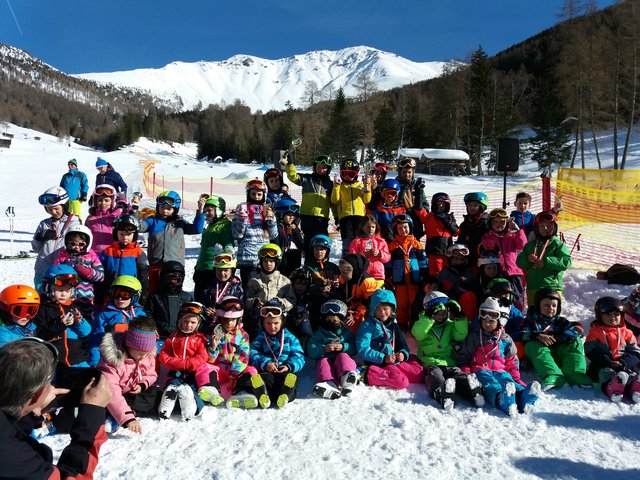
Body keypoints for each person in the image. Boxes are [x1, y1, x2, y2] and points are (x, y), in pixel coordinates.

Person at [0, 337, 111, 479]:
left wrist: (30, 410)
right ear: (38, 393)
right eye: (50, 382)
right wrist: (92, 415)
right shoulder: (18, 460)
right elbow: (70, 476)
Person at [458, 297, 541, 416]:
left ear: (500, 321)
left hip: (500, 370)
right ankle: (502, 400)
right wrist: (466, 373)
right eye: (484, 320)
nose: (487, 323)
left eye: (491, 321)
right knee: (491, 384)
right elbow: (464, 355)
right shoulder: (475, 336)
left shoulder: (505, 339)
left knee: (508, 382)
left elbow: (511, 360)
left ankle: (525, 398)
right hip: (481, 370)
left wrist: (516, 378)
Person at [411, 291, 484, 410]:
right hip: (430, 362)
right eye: (437, 314)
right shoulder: (424, 323)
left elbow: (460, 335)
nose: (441, 316)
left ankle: (471, 390)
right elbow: (418, 333)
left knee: (458, 374)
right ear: (430, 312)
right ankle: (440, 392)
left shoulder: (450, 325)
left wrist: (459, 316)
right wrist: (428, 318)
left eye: (444, 313)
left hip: (448, 361)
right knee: (435, 376)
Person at [97, 316, 161, 434]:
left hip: (130, 392)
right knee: (99, 405)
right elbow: (112, 390)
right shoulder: (112, 360)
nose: (143, 357)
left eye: (146, 354)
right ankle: (116, 414)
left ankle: (121, 410)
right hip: (111, 394)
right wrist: (128, 419)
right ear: (129, 345)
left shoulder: (147, 355)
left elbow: (152, 374)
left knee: (153, 395)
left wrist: (142, 385)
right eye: (140, 353)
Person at [520, 288, 592, 390]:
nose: (550, 308)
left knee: (575, 341)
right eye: (546, 305)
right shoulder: (530, 321)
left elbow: (578, 328)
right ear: (538, 306)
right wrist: (538, 336)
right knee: (532, 345)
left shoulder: (559, 321)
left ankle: (575, 374)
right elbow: (522, 334)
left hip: (559, 353)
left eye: (554, 305)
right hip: (541, 357)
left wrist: (562, 337)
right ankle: (553, 375)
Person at [356, 289, 425, 390]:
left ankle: (395, 371)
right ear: (372, 309)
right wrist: (383, 358)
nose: (382, 312)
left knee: (420, 375)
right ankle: (366, 373)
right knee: (401, 382)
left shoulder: (393, 324)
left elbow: (402, 344)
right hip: (378, 362)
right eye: (378, 309)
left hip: (394, 360)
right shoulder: (367, 325)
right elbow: (363, 349)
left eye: (385, 309)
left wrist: (402, 353)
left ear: (392, 309)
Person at [138, 190, 205, 294]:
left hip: (175, 265)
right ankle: (152, 309)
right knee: (154, 290)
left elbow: (197, 229)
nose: (165, 211)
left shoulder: (179, 223)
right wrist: (132, 212)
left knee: (173, 291)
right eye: (162, 208)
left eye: (169, 209)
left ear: (175, 209)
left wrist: (200, 212)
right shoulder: (152, 221)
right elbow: (138, 227)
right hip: (156, 263)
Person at [201, 297, 261, 408]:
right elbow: (208, 359)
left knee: (252, 370)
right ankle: (212, 390)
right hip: (219, 371)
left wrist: (234, 375)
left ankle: (242, 393)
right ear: (219, 319)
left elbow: (243, 357)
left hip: (235, 374)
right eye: (226, 320)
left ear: (238, 320)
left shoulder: (242, 336)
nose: (229, 323)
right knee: (205, 367)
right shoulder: (213, 334)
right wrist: (213, 347)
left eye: (232, 320)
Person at [157, 303, 211, 421]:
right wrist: (175, 363)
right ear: (180, 321)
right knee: (172, 384)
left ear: (199, 324)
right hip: (175, 371)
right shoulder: (174, 337)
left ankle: (193, 407)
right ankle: (165, 407)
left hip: (192, 373)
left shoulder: (200, 339)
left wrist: (187, 363)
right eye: (185, 321)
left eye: (192, 322)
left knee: (191, 389)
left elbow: (202, 357)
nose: (188, 325)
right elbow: (164, 354)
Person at [249, 299, 306, 408]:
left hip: (284, 371)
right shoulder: (260, 338)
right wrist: (265, 363)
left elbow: (299, 356)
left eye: (276, 323)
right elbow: (253, 353)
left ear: (282, 321)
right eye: (268, 323)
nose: (272, 327)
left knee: (289, 381)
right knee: (264, 380)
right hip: (267, 371)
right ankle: (263, 394)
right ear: (263, 323)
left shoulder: (290, 338)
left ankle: (285, 395)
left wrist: (289, 366)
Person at [584, 297, 640, 403]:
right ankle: (611, 388)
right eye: (608, 314)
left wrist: (624, 362)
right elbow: (590, 350)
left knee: (629, 375)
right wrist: (607, 361)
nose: (613, 317)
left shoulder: (627, 333)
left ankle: (634, 389)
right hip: (603, 365)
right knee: (606, 373)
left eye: (616, 314)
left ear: (622, 315)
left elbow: (636, 352)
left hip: (623, 365)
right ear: (600, 316)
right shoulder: (596, 332)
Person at [280, 153, 337, 256]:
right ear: (315, 167)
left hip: (322, 218)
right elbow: (293, 176)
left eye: (324, 168)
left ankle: (322, 266)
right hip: (307, 217)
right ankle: (308, 265)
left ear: (328, 169)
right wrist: (290, 164)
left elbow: (333, 204)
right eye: (319, 167)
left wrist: (337, 217)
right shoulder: (307, 179)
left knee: (321, 242)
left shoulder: (330, 185)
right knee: (309, 243)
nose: (321, 169)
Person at [34, 265, 90, 367]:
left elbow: (86, 332)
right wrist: (60, 324)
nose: (64, 294)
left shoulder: (72, 307)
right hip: (54, 362)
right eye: (60, 290)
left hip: (78, 359)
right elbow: (39, 335)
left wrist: (79, 322)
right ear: (47, 287)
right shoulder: (42, 309)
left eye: (68, 291)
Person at [516, 211, 572, 307]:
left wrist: (546, 262)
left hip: (552, 286)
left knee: (551, 313)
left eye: (549, 226)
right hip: (533, 286)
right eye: (542, 226)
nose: (545, 228)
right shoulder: (530, 245)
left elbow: (566, 262)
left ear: (554, 227)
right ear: (537, 228)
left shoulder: (558, 244)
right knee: (534, 313)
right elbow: (519, 262)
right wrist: (528, 260)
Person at [307, 299, 359, 399]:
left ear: (341, 320)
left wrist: (344, 346)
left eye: (334, 321)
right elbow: (311, 349)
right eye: (328, 321)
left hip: (340, 359)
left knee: (343, 356)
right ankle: (328, 382)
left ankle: (348, 376)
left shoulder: (345, 332)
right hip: (327, 357)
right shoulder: (320, 333)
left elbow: (354, 347)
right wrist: (324, 349)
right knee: (323, 362)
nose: (331, 323)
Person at [89, 276, 145, 366]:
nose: (119, 298)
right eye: (116, 294)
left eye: (125, 295)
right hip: (110, 357)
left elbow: (146, 339)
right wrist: (95, 362)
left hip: (133, 359)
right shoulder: (104, 314)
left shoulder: (140, 315)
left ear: (135, 297)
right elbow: (95, 339)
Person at [32, 186, 80, 290]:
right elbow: (36, 248)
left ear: (65, 206)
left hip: (63, 270)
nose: (53, 212)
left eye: (56, 208)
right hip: (43, 270)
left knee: (61, 299)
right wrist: (39, 237)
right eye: (49, 209)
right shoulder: (44, 224)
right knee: (42, 300)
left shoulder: (74, 223)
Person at [232, 179, 278, 287]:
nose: (256, 197)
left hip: (264, 259)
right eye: (253, 194)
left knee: (263, 291)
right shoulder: (241, 208)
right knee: (250, 291)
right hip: (247, 259)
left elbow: (273, 235)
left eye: (259, 194)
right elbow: (236, 235)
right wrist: (242, 221)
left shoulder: (267, 209)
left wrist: (271, 220)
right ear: (248, 194)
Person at [245, 243, 297, 338]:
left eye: (271, 261)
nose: (268, 264)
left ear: (276, 263)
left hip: (278, 317)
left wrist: (279, 303)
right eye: (265, 261)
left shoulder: (284, 281)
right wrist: (254, 302)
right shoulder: (254, 280)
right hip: (260, 317)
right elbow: (247, 300)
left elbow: (292, 300)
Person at [386, 214, 429, 328]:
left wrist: (424, 277)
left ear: (410, 227)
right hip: (399, 282)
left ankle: (415, 323)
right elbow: (389, 264)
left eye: (405, 227)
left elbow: (423, 263)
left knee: (414, 304)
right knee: (402, 304)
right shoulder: (392, 246)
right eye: (399, 228)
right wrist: (388, 277)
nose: (403, 230)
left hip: (415, 281)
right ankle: (402, 324)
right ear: (395, 230)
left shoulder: (416, 244)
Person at [53, 225, 104, 318]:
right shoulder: (62, 258)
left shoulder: (92, 257)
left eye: (81, 244)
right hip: (66, 298)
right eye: (73, 244)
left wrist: (88, 272)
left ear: (87, 244)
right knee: (67, 319)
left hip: (85, 298)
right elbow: (52, 275)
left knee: (85, 320)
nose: (77, 247)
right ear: (67, 243)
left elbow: (101, 276)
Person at [480, 208, 527, 310]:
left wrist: (517, 230)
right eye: (495, 222)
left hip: (514, 271)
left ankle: (517, 315)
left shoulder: (511, 235)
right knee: (501, 296)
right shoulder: (488, 237)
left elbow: (523, 244)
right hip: (498, 272)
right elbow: (486, 251)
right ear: (491, 223)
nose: (499, 224)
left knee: (516, 296)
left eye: (502, 222)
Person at [99, 214, 149, 306]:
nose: (125, 237)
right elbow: (99, 273)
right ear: (116, 233)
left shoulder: (138, 252)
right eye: (121, 234)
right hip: (110, 292)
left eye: (129, 234)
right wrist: (100, 292)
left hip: (129, 293)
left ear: (134, 235)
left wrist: (144, 293)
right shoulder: (107, 251)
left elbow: (143, 276)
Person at [193, 195, 233, 303]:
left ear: (219, 210)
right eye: (205, 210)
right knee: (199, 299)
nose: (206, 213)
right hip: (202, 267)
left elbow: (229, 244)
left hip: (213, 269)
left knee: (208, 300)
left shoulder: (224, 225)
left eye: (209, 210)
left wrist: (225, 253)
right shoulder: (211, 226)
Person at [331, 159, 372, 256]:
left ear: (357, 174)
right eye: (345, 174)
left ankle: (361, 260)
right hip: (346, 218)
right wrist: (336, 186)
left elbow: (367, 200)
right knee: (348, 242)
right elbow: (334, 200)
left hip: (360, 218)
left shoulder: (360, 185)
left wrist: (367, 185)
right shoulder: (341, 186)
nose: (348, 177)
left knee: (360, 240)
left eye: (351, 174)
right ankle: (347, 261)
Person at [144, 261, 193, 342]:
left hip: (181, 337)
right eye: (168, 280)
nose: (172, 284)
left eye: (176, 280)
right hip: (159, 336)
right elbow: (147, 314)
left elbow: (192, 317)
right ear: (162, 279)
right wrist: (152, 328)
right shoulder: (155, 296)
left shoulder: (186, 298)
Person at [419, 192, 459, 276]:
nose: (440, 206)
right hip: (434, 252)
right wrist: (419, 194)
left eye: (443, 204)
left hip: (448, 253)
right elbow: (419, 211)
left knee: (448, 276)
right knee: (435, 275)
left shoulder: (450, 218)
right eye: (438, 204)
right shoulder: (429, 217)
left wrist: (447, 221)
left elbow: (456, 232)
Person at [437, 243, 478, 322]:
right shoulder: (444, 274)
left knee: (469, 296)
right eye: (456, 259)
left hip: (464, 307)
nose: (459, 262)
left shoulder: (468, 275)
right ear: (450, 259)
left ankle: (467, 323)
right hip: (448, 306)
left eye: (462, 259)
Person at [348, 214, 391, 288]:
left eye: (373, 227)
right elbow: (352, 259)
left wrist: (380, 254)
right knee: (366, 296)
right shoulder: (356, 242)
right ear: (362, 227)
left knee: (379, 296)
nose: (371, 229)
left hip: (378, 274)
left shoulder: (381, 241)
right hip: (363, 275)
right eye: (368, 227)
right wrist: (363, 255)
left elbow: (388, 258)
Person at [395, 157, 428, 240]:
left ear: (413, 173)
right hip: (401, 222)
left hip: (415, 222)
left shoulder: (416, 186)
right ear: (399, 172)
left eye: (409, 172)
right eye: (404, 172)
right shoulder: (395, 185)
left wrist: (423, 214)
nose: (407, 175)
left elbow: (424, 204)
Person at [85, 184, 123, 256]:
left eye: (106, 200)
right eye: (100, 200)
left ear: (112, 202)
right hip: (94, 255)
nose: (103, 203)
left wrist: (125, 208)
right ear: (95, 201)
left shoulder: (116, 217)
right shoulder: (90, 219)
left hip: (111, 254)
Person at [457, 192, 490, 271]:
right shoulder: (465, 223)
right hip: (466, 260)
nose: (472, 208)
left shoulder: (487, 222)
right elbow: (460, 240)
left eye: (475, 205)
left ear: (481, 206)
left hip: (482, 261)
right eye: (469, 205)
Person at [272, 196, 304, 277]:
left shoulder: (289, 227)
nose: (291, 217)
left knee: (295, 253)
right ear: (280, 214)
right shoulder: (277, 227)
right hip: (274, 257)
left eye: (293, 215)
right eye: (288, 215)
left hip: (283, 254)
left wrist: (296, 229)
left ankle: (290, 276)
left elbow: (299, 241)